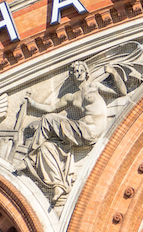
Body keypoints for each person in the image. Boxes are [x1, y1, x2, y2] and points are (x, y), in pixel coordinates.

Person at [21, 61, 117, 202]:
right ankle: (58, 185)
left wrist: (114, 74)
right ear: (72, 76)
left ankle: (29, 156)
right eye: (75, 72)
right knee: (47, 147)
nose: (78, 73)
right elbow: (51, 108)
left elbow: (120, 91)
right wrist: (33, 104)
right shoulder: (71, 97)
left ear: (86, 73)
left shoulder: (94, 87)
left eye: (80, 70)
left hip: (92, 130)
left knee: (47, 120)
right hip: (80, 131)